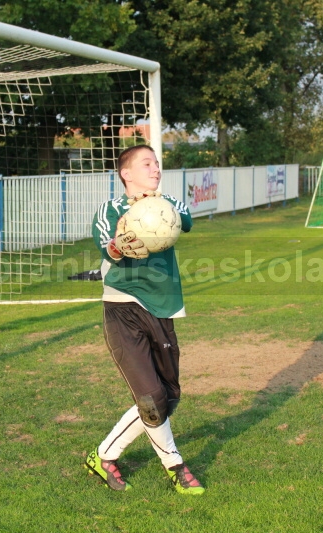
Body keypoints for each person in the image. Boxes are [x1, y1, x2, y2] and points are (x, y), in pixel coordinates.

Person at [85, 144, 203, 495]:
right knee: (151, 397)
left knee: (168, 397)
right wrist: (120, 244)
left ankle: (104, 455)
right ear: (126, 173)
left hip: (163, 308)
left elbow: (186, 221)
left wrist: (154, 210)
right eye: (147, 164)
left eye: (157, 164)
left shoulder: (169, 203)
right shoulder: (109, 209)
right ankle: (177, 467)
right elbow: (106, 247)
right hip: (122, 308)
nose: (156, 170)